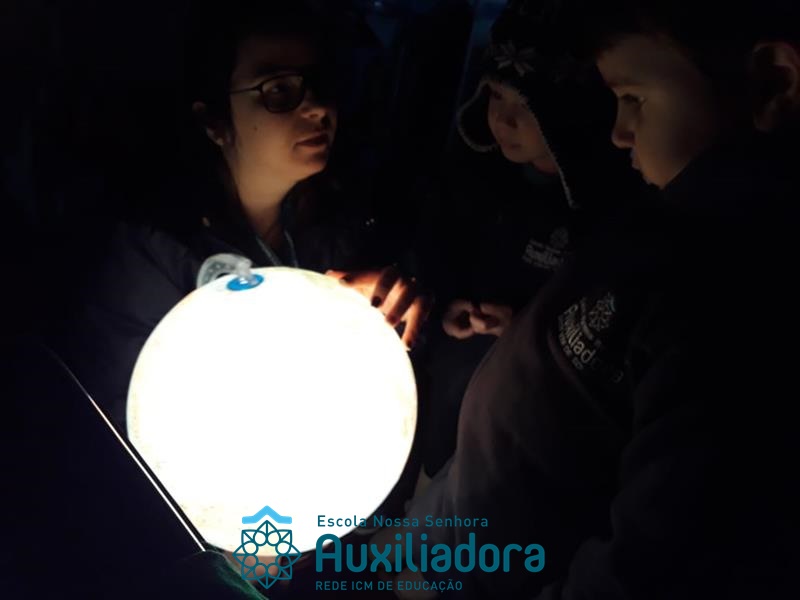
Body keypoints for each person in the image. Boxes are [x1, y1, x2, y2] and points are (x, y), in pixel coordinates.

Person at [393, 0, 800, 597]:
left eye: (634, 98)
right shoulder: (661, 224)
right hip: (459, 520)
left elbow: (653, 561)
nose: (619, 132)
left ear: (773, 82)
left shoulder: (739, 298)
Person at [46, 0, 427, 433]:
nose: (318, 107)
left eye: (320, 83)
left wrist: (393, 313)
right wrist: (318, 313)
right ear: (214, 121)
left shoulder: (337, 226)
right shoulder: (152, 256)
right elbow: (138, 415)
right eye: (278, 90)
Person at [411, 0, 645, 478]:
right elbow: (438, 255)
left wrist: (523, 327)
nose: (504, 119)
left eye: (527, 105)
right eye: (496, 97)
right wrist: (445, 304)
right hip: (449, 396)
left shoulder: (606, 211)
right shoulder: (473, 180)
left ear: (571, 111)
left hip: (529, 427)